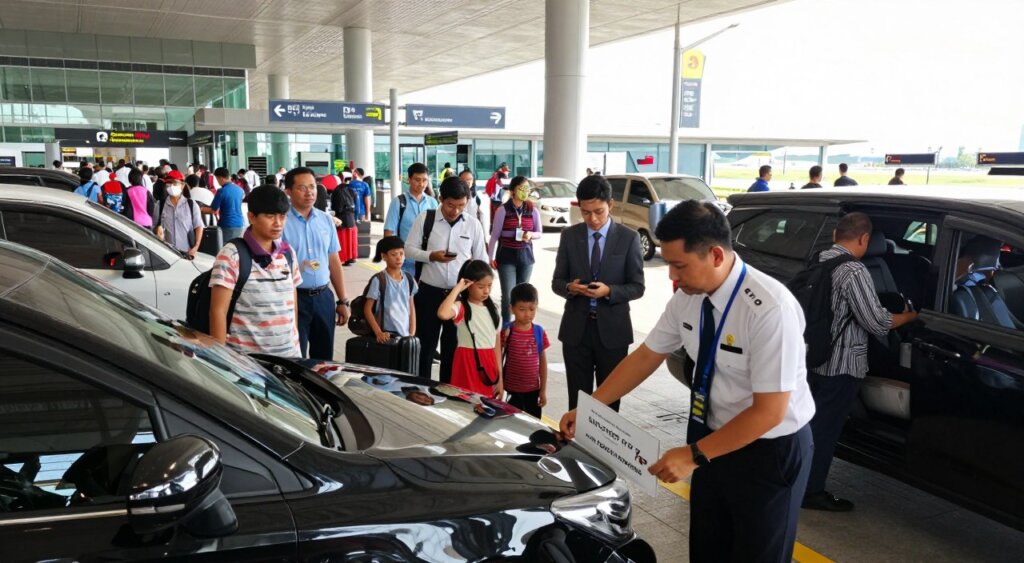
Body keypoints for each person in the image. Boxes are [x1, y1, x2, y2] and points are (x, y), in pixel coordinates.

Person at [558, 200, 817, 563]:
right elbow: (647, 355)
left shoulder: (770, 309)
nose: (671, 277)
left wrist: (695, 455)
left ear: (714, 255)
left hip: (768, 452)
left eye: (679, 265)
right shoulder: (688, 300)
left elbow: (770, 412)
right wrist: (592, 405)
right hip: (711, 441)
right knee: (709, 550)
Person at [802, 213, 918, 512]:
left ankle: (796, 479)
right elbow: (876, 322)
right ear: (864, 239)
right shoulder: (853, 270)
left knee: (809, 423)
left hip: (813, 355)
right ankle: (810, 492)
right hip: (841, 363)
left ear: (834, 234)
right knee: (825, 429)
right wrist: (910, 317)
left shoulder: (818, 259)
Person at [551, 174, 645, 411]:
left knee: (609, 402)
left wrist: (608, 291)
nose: (592, 219)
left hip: (613, 333)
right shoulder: (570, 236)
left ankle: (604, 448)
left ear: (610, 205)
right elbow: (556, 282)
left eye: (599, 211)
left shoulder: (629, 238)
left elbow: (638, 286)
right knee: (578, 400)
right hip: (576, 331)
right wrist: (570, 288)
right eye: (585, 212)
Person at [405, 176, 489, 382]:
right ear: (441, 199)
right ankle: (421, 389)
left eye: (461, 205)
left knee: (453, 349)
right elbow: (408, 249)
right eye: (451, 205)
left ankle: (447, 393)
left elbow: (481, 261)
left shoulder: (473, 225)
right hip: (429, 293)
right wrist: (431, 256)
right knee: (425, 346)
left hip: (459, 297)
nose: (456, 211)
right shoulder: (426, 219)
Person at [209, 186, 302, 357]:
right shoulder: (232, 254)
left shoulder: (288, 254)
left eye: (282, 216)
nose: (278, 223)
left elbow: (292, 301)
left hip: (290, 358)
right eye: (270, 216)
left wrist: (295, 346)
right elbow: (218, 311)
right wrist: (221, 360)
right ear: (251, 216)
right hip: (247, 364)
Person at [281, 166, 351, 360]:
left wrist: (343, 300)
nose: (309, 192)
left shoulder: (325, 220)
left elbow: (333, 260)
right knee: (298, 358)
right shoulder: (281, 222)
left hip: (323, 299)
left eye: (312, 186)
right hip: (295, 299)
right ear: (288, 191)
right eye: (302, 187)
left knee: (324, 360)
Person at [437, 260, 502, 397]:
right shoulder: (462, 307)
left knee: (485, 405)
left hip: (488, 362)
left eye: (489, 286)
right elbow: (442, 313)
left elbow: (497, 345)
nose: (486, 291)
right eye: (480, 286)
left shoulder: (494, 309)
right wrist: (458, 288)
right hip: (466, 363)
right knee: (464, 404)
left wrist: (500, 379)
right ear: (469, 285)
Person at [488, 175, 543, 325]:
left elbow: (539, 232)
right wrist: (490, 258)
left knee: (523, 295)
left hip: (526, 257)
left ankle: (519, 326)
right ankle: (506, 326)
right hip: (506, 257)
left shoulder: (532, 210)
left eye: (527, 189)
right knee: (508, 295)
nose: (524, 192)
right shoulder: (502, 210)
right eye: (521, 189)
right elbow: (494, 237)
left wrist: (530, 235)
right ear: (512, 191)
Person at [500, 283, 550, 417]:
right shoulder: (506, 331)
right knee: (509, 425)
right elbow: (498, 359)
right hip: (510, 391)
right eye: (522, 309)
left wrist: (543, 391)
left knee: (532, 426)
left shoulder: (539, 332)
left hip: (533, 391)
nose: (528, 314)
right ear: (512, 309)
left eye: (532, 309)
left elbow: (543, 364)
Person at [383, 163, 440, 275]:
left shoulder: (432, 202)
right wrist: (392, 259)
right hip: (405, 262)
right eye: (417, 180)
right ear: (409, 180)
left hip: (427, 260)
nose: (422, 184)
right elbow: (389, 233)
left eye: (425, 180)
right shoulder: (398, 202)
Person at [365, 236, 418, 342]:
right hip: (387, 336)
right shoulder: (379, 280)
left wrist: (411, 333)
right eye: (394, 254)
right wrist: (378, 332)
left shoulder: (409, 279)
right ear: (384, 256)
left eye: (401, 253)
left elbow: (411, 307)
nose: (399, 258)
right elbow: (367, 309)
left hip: (405, 335)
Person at [154, 170, 204, 258]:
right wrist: (157, 230)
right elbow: (154, 226)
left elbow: (198, 226)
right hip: (166, 253)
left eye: (175, 183)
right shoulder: (160, 204)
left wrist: (196, 246)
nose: (171, 186)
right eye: (168, 183)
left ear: (182, 185)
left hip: (187, 252)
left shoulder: (191, 205)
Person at [203, 167, 246, 241]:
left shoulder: (221, 191)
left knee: (225, 249)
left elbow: (213, 210)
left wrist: (199, 209)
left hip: (227, 225)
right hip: (240, 224)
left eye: (216, 179)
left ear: (220, 178)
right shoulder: (240, 190)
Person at [330, 175, 359, 266]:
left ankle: (343, 258)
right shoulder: (352, 190)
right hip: (351, 218)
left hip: (341, 218)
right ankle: (351, 258)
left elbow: (337, 208)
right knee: (351, 240)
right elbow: (356, 207)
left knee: (342, 240)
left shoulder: (336, 191)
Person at [460, 168, 490, 245]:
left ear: (473, 181)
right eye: (463, 179)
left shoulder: (478, 198)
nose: (466, 181)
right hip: (458, 230)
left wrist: (485, 238)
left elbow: (484, 219)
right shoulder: (454, 197)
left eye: (469, 179)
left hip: (473, 231)